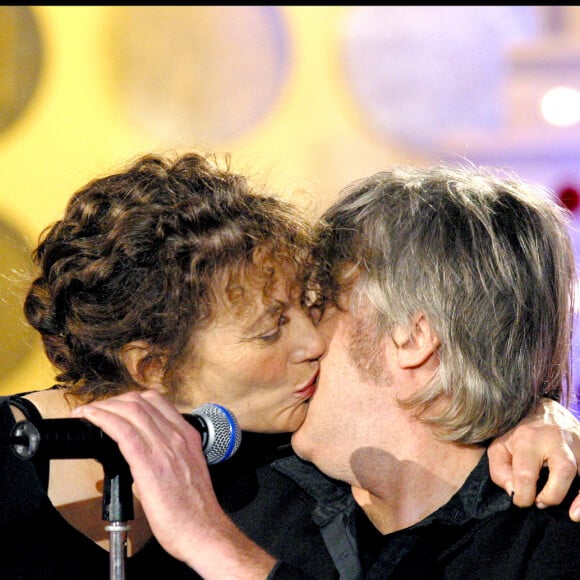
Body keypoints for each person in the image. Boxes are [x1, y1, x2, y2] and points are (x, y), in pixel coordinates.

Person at [73, 162, 580, 579]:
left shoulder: (552, 545)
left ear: (413, 338)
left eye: (322, 303)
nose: (309, 340)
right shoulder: (243, 483)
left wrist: (216, 547)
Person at [0, 151, 325, 579]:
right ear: (151, 366)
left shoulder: (295, 467)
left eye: (311, 306)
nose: (315, 343)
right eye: (270, 330)